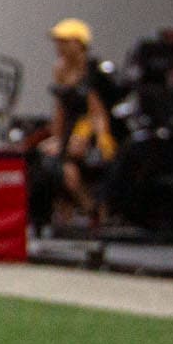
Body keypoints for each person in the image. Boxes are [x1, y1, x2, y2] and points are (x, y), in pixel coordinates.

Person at [40, 18, 119, 224]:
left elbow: (98, 111)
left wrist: (101, 138)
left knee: (72, 163)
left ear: (77, 43)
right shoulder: (59, 69)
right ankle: (73, 210)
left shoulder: (91, 70)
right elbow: (60, 108)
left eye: (64, 42)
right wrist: (56, 137)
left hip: (89, 127)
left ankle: (94, 209)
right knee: (53, 162)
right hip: (70, 127)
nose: (59, 47)